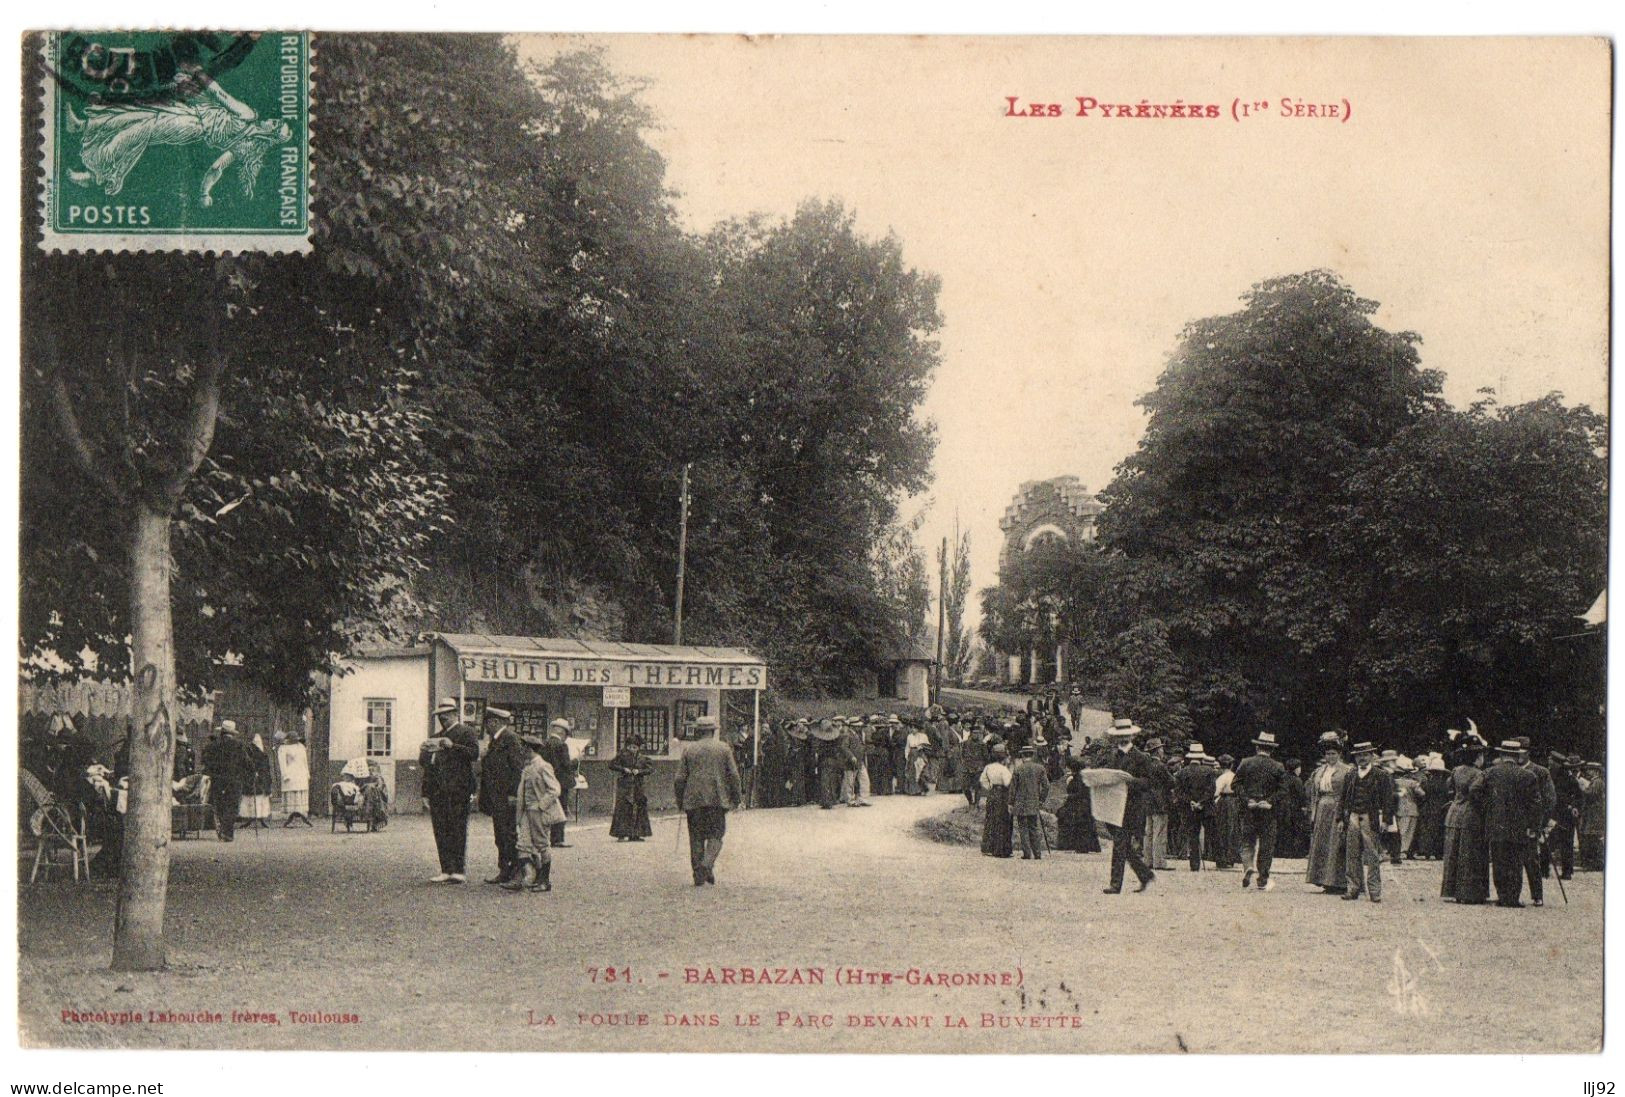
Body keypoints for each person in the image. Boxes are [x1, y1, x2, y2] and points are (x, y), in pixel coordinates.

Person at [675, 715, 742, 886]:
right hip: (717, 799)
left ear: (698, 731)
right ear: (713, 731)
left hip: (693, 800)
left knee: (696, 836)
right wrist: (737, 797)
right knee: (716, 835)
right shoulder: (724, 749)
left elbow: (680, 778)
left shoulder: (689, 750)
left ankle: (699, 870)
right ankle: (706, 865)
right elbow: (734, 775)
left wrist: (680, 800)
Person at [420, 698, 479, 883]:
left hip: (458, 789)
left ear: (455, 714)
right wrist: (424, 751)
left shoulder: (466, 732)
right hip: (438, 790)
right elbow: (427, 766)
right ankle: (446, 868)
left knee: (457, 828)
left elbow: (474, 754)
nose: (443, 719)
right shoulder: (435, 736)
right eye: (440, 716)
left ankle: (458, 869)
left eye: (446, 715)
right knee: (440, 829)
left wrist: (452, 746)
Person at [1102, 720, 1162, 894]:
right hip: (1115, 806)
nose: (1122, 738)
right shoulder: (1113, 756)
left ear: (1132, 735)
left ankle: (1115, 884)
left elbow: (1150, 782)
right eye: (1119, 735)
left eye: (1125, 735)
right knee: (1124, 845)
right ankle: (1145, 875)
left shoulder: (1141, 757)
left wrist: (1131, 781)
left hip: (1132, 807)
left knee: (1120, 843)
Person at [1482, 739, 1544, 908]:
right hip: (1519, 827)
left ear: (1502, 755)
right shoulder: (1528, 776)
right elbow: (1535, 805)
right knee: (1515, 863)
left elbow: (1475, 791)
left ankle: (1502, 896)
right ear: (1517, 756)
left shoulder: (1490, 773)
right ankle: (1513, 898)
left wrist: (1487, 809)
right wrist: (1534, 827)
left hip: (1496, 824)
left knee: (1499, 861)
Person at [503, 732, 564, 893]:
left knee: (542, 845)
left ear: (530, 749)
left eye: (524, 748)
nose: (522, 752)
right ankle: (531, 874)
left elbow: (555, 789)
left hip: (538, 813)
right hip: (526, 813)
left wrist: (541, 805)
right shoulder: (528, 767)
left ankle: (544, 880)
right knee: (522, 846)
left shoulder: (543, 766)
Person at [1338, 741, 1396, 902]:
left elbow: (1388, 801)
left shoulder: (1381, 775)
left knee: (1373, 855)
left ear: (1371, 756)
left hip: (1371, 818)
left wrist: (1386, 820)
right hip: (1352, 817)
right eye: (1358, 756)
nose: (1361, 758)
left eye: (1365, 755)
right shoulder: (1350, 775)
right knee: (1352, 854)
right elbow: (1342, 799)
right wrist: (1340, 819)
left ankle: (1374, 891)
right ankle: (1353, 888)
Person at [477, 707, 529, 885]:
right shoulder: (496, 740)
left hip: (506, 797)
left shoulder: (510, 739)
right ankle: (504, 870)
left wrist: (514, 794)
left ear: (495, 722)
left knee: (508, 835)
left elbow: (517, 769)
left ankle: (515, 872)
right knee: (501, 835)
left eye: (487, 723)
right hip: (497, 797)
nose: (485, 727)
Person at [1234, 731, 1287, 891]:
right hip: (1267, 811)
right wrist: (1269, 801)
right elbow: (1283, 790)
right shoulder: (1278, 766)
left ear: (1257, 747)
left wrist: (1247, 800)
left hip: (1249, 809)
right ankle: (1263, 877)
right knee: (1266, 844)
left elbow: (1235, 784)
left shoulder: (1246, 762)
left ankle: (1248, 866)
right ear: (1271, 749)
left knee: (1247, 841)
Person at [1440, 740, 1491, 904]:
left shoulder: (1456, 771)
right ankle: (1469, 892)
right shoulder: (1479, 774)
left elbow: (1450, 788)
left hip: (1453, 813)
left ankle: (1450, 890)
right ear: (1477, 757)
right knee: (1469, 854)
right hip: (1470, 816)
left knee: (1452, 854)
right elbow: (1475, 793)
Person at [1305, 732, 1352, 893]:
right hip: (1322, 808)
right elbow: (1313, 792)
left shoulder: (1347, 770)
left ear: (1339, 754)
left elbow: (1348, 793)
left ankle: (1339, 882)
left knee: (1337, 843)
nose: (1330, 757)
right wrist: (1313, 812)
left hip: (1338, 807)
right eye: (1328, 754)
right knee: (1322, 843)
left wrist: (1345, 815)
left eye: (1333, 754)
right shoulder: (1319, 771)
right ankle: (1323, 880)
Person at [201, 720, 250, 841]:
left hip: (218, 780)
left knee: (220, 805)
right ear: (232, 733)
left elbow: (206, 761)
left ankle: (222, 829)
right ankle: (228, 832)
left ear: (222, 732)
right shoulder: (239, 745)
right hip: (234, 780)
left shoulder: (213, 745)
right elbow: (247, 762)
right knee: (232, 806)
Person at [1174, 744, 1217, 870]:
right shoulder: (1209, 771)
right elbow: (1211, 790)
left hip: (1189, 808)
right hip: (1206, 808)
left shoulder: (1182, 773)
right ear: (1201, 758)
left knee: (1193, 835)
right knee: (1212, 833)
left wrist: (1191, 802)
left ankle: (1194, 865)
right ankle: (1219, 860)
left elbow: (1179, 792)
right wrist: (1201, 803)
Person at [1009, 742, 1051, 860]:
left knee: (1023, 827)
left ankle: (1027, 853)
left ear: (1022, 756)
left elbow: (1013, 788)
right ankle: (1037, 853)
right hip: (1034, 802)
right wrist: (1041, 799)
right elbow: (1046, 786)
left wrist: (1010, 803)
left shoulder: (1018, 769)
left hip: (1020, 803)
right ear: (1032, 755)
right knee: (1034, 827)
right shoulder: (1040, 768)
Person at [541, 721, 577, 848]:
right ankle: (558, 839)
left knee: (547, 808)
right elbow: (566, 765)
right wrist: (576, 761)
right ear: (562, 732)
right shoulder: (562, 746)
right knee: (561, 809)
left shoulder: (544, 743)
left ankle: (545, 837)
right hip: (561, 782)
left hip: (547, 781)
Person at [608, 739, 653, 840]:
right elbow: (611, 765)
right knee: (623, 808)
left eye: (635, 747)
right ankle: (621, 834)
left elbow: (650, 769)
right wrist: (623, 769)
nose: (632, 749)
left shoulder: (643, 758)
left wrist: (640, 771)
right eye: (631, 747)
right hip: (625, 785)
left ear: (638, 748)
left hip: (638, 785)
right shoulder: (621, 756)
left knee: (639, 808)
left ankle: (636, 834)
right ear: (627, 747)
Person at [1055, 757, 1102, 853]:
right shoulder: (1079, 777)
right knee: (1085, 825)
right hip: (1083, 804)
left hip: (1080, 804)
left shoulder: (1079, 779)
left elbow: (1080, 793)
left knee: (1080, 824)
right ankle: (1087, 846)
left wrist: (1068, 795)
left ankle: (1079, 846)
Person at [1548, 753, 1582, 881]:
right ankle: (1545, 869)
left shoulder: (1569, 778)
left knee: (1565, 844)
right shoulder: (1554, 776)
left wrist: (1573, 806)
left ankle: (1567, 871)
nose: (1549, 763)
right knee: (1552, 842)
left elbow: (1578, 797)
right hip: (1556, 815)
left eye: (1551, 761)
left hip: (1565, 817)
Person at [1141, 738, 1172, 871]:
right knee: (1159, 833)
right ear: (1157, 751)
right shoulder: (1160, 766)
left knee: (1148, 833)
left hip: (1148, 801)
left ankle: (1148, 860)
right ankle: (1159, 862)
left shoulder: (1145, 766)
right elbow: (1171, 781)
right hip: (1160, 802)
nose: (1162, 751)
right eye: (1161, 749)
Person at [1415, 753, 1453, 860]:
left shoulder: (1428, 782)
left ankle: (1427, 851)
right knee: (1440, 830)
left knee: (1428, 829)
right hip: (1441, 808)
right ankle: (1438, 852)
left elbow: (1422, 793)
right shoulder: (1445, 783)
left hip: (1428, 807)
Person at [979, 744, 1014, 858]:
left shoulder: (988, 767)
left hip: (992, 793)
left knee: (990, 819)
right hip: (1002, 794)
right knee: (1002, 820)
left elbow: (982, 780)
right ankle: (1000, 849)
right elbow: (1008, 783)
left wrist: (989, 786)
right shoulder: (1003, 769)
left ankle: (987, 847)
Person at [277, 731, 312, 827]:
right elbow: (282, 763)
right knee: (293, 795)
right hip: (291, 774)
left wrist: (307, 773)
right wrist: (285, 775)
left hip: (301, 774)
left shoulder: (301, 747)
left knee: (300, 795)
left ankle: (300, 814)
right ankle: (292, 817)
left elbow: (305, 761)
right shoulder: (283, 748)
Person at [1276, 757, 1309, 859]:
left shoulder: (1282, 777)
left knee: (1282, 829)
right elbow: (1301, 795)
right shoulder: (1297, 780)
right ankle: (1293, 852)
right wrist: (1304, 805)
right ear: (1296, 768)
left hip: (1281, 807)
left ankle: (1279, 851)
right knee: (1294, 829)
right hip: (1293, 808)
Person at [1212, 755, 1240, 869]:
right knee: (1233, 829)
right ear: (1232, 765)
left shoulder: (1222, 778)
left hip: (1224, 802)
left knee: (1223, 829)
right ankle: (1231, 858)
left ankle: (1222, 858)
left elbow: (1215, 792)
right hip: (1235, 801)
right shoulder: (1235, 776)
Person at [1393, 757, 1422, 864]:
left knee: (1401, 831)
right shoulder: (1413, 783)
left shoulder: (1395, 782)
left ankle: (1398, 850)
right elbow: (1422, 793)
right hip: (1412, 809)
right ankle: (1403, 851)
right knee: (1409, 832)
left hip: (1399, 809)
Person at [1578, 762, 1606, 871]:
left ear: (1595, 771)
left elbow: (1590, 793)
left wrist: (1581, 786)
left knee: (1594, 839)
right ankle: (1595, 863)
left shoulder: (1597, 782)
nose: (1588, 771)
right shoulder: (1596, 781)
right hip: (1593, 814)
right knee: (1593, 839)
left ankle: (1597, 863)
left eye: (1590, 769)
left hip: (1594, 815)